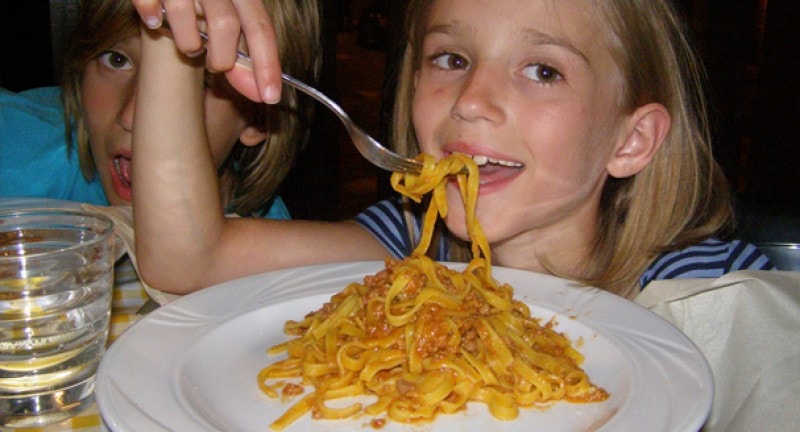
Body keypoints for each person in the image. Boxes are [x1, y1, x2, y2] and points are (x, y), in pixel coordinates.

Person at [132, 0, 773, 299]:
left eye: (542, 70)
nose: (470, 98)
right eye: (451, 58)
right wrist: (172, 34)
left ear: (629, 142)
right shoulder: (408, 242)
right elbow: (188, 260)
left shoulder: (709, 291)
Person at [1, 0, 320, 221]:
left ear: (257, 118)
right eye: (116, 60)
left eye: (198, 81)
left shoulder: (262, 237)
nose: (134, 118)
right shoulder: (19, 166)